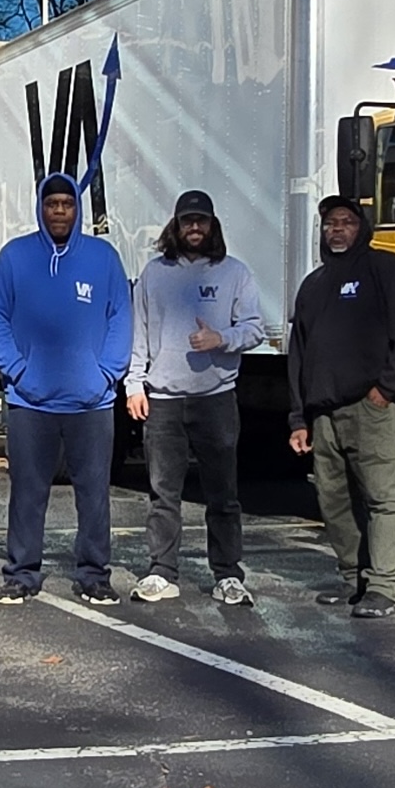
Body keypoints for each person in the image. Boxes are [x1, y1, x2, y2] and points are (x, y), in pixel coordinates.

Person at [0, 171, 132, 605]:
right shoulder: (15, 257)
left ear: (77, 209)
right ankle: (22, 573)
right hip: (29, 401)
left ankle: (93, 574)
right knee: (28, 493)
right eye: (52, 204)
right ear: (41, 209)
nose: (60, 211)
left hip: (92, 402)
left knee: (93, 493)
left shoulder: (103, 258)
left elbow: (121, 316)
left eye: (67, 203)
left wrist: (106, 373)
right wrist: (17, 371)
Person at [286, 194, 395, 618]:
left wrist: (386, 390)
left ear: (361, 228)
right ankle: (354, 579)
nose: (337, 230)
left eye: (346, 222)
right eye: (330, 223)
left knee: (384, 497)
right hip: (323, 415)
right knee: (334, 502)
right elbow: (299, 354)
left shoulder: (384, 270)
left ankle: (383, 586)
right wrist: (299, 417)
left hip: (370, 408)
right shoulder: (314, 285)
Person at [124, 190, 267, 605]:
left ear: (212, 226)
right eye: (187, 221)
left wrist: (222, 338)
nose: (194, 228)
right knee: (163, 494)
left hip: (216, 398)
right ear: (176, 226)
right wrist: (135, 384)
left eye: (202, 221)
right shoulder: (154, 273)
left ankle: (227, 575)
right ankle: (162, 572)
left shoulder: (234, 273)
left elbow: (255, 328)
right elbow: (139, 331)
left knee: (222, 494)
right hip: (164, 399)